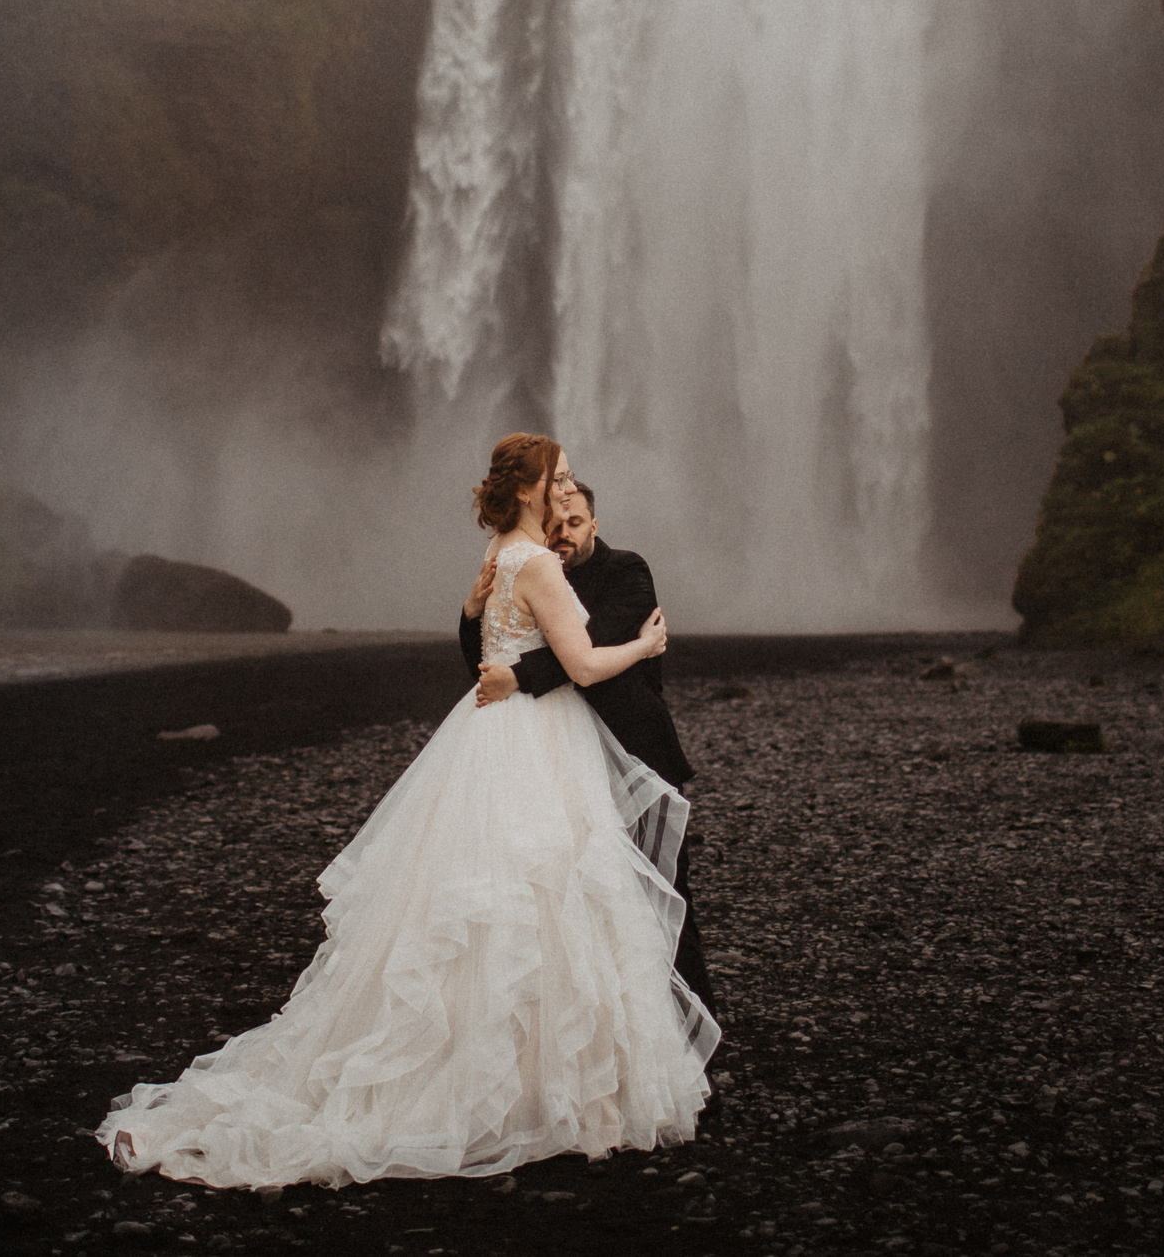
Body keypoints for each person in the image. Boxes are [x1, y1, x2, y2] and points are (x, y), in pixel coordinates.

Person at [95, 433, 718, 1188]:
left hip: (503, 737)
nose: (564, 493)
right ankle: (545, 1080)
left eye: (571, 489)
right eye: (555, 481)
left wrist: (514, 672)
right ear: (529, 490)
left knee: (512, 903)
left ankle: (522, 1067)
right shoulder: (539, 563)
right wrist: (645, 647)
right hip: (542, 743)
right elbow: (582, 662)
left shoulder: (516, 557)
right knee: (556, 897)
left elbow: (510, 650)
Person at [459, 473, 716, 1015]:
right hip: (564, 760)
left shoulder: (628, 571)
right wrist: (470, 613)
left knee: (665, 895)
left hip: (637, 755)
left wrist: (521, 676)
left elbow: (592, 647)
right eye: (557, 524)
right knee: (588, 906)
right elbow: (486, 651)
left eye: (576, 523)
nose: (565, 533)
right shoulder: (536, 571)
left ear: (595, 525)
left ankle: (695, 1045)